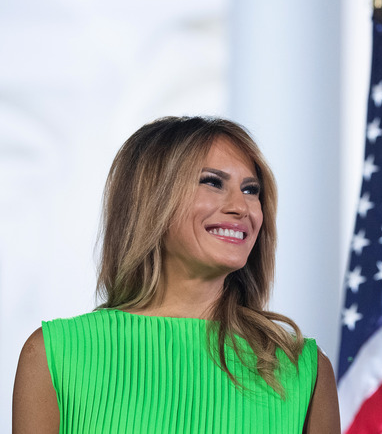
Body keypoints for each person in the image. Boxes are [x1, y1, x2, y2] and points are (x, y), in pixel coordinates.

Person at [12, 116, 340, 433]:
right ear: (151, 199)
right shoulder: (54, 356)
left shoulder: (303, 369)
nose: (241, 207)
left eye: (251, 190)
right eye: (213, 182)